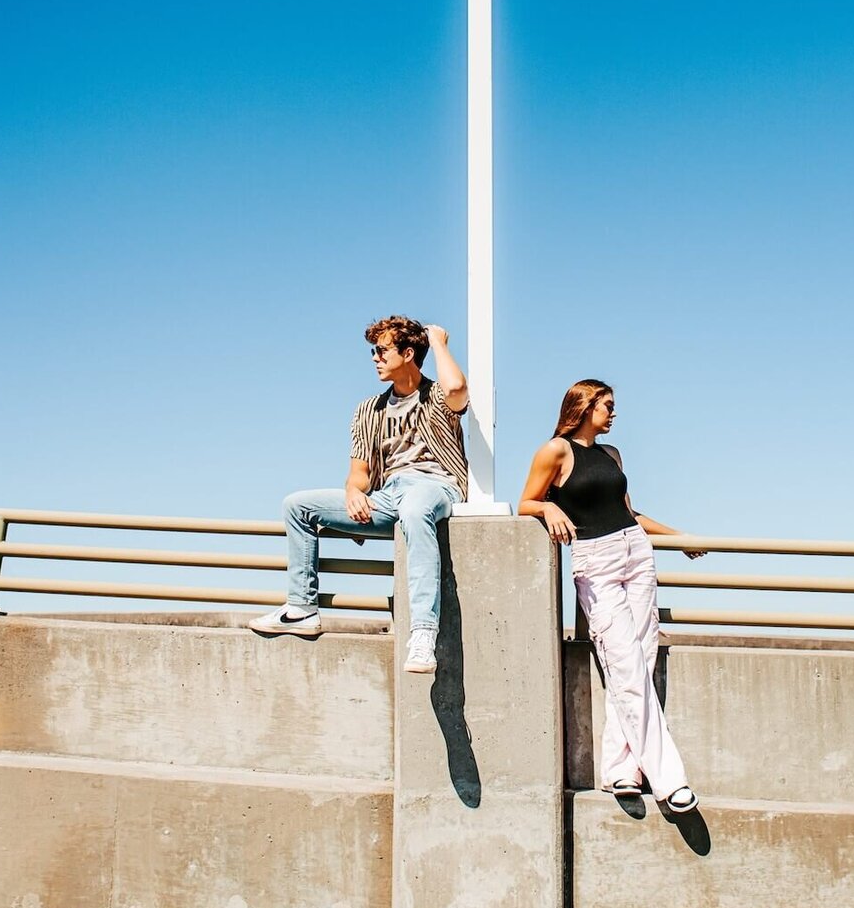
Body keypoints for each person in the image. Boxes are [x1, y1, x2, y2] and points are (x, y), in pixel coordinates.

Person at [518, 379, 701, 812]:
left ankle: (620, 771)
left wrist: (679, 535)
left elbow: (629, 512)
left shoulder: (611, 455)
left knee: (642, 659)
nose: (614, 414)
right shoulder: (555, 451)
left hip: (635, 552)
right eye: (607, 406)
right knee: (624, 665)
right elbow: (526, 501)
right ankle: (669, 780)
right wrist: (548, 507)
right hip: (595, 559)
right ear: (583, 406)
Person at [250, 317, 469, 673]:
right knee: (297, 505)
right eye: (373, 351)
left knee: (415, 509)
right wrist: (353, 493)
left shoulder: (436, 396)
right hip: (389, 496)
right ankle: (302, 608)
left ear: (408, 353)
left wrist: (439, 343)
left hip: (436, 486)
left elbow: (458, 389)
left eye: (382, 351)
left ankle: (424, 633)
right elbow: (359, 475)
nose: (375, 358)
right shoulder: (368, 410)